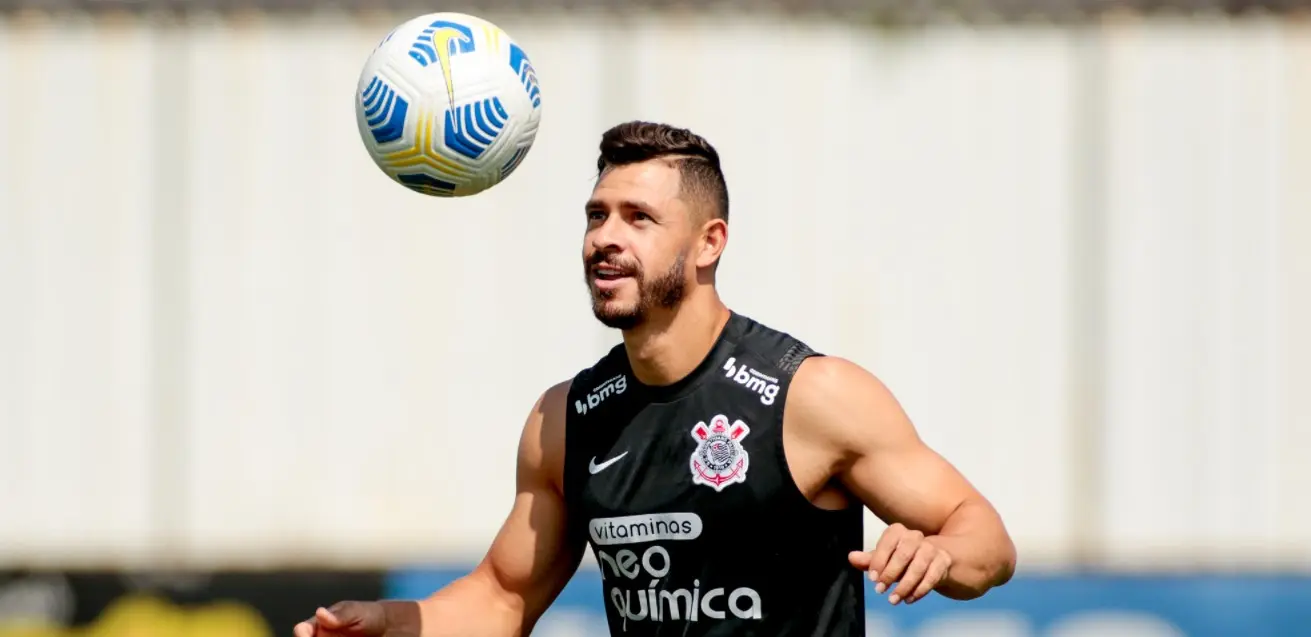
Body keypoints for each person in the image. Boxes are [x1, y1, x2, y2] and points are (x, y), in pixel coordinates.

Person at [294, 121, 1016, 637]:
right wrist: (392, 621)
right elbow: (502, 597)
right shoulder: (565, 418)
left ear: (708, 243)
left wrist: (941, 552)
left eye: (638, 217)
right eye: (597, 215)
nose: (605, 237)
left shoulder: (811, 394)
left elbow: (986, 540)